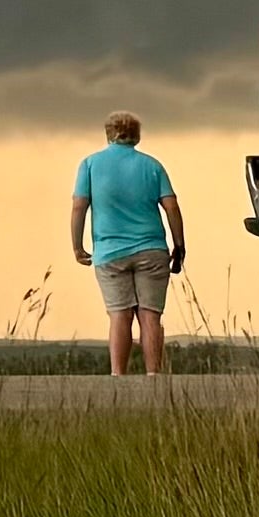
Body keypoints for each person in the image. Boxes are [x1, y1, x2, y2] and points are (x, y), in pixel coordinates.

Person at [70, 115, 185, 377]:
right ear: (137, 135)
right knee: (150, 315)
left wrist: (77, 246)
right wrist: (179, 245)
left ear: (109, 134)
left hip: (109, 252)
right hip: (152, 250)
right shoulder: (153, 166)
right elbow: (171, 206)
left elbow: (79, 206)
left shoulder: (89, 164)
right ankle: (154, 374)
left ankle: (118, 377)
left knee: (119, 316)